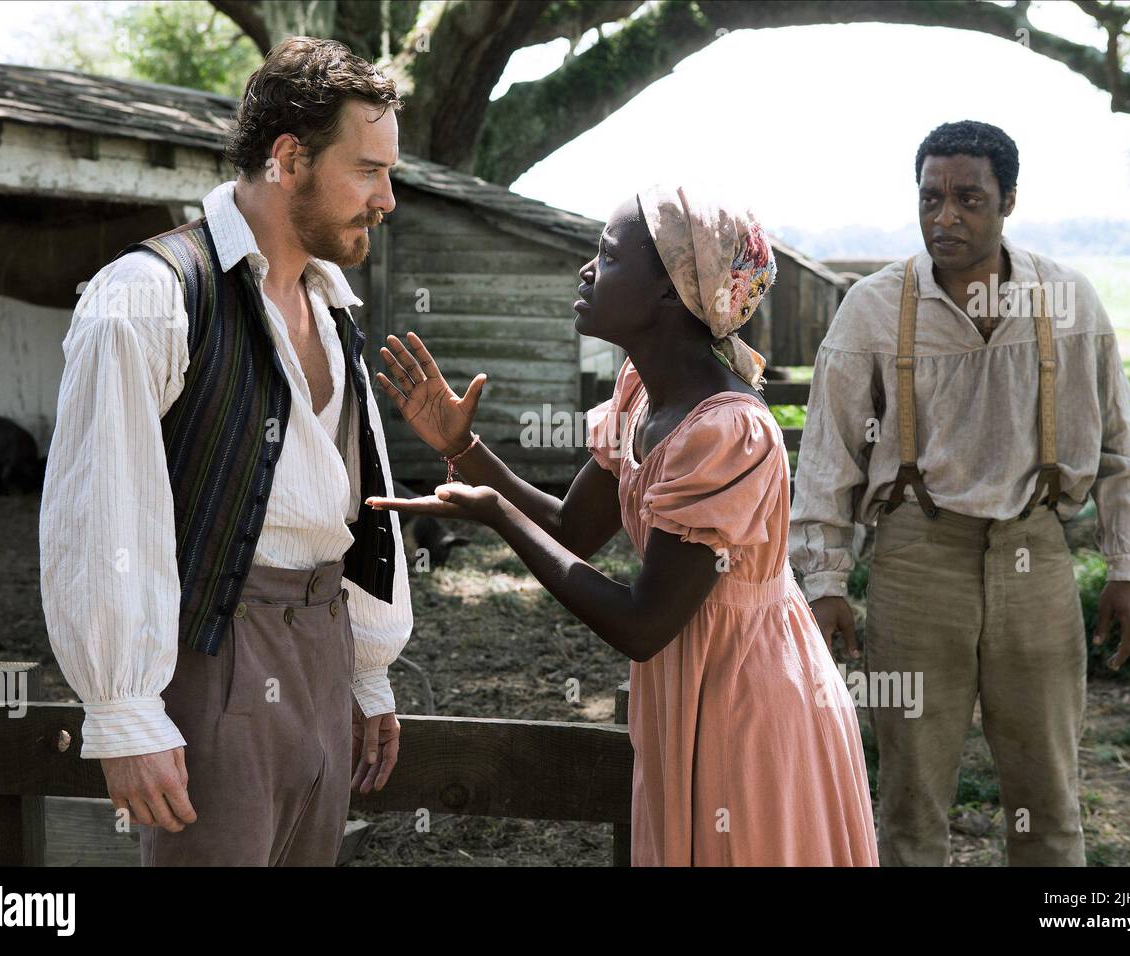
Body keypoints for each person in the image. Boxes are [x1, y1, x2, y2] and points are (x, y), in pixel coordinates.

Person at [366, 186, 879, 866]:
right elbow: (572, 530)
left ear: (673, 291)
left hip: (748, 700)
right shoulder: (643, 393)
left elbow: (642, 624)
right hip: (695, 682)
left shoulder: (727, 430)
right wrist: (463, 448)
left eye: (606, 256)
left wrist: (496, 516)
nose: (586, 271)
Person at [39, 37, 413, 866]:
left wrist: (365, 670)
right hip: (216, 658)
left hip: (323, 652)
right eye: (368, 170)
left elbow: (349, 501)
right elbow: (102, 513)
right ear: (288, 158)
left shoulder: (333, 307)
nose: (387, 198)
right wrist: (125, 709)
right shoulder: (149, 297)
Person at [789, 120, 1130, 866]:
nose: (944, 216)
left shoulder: (1068, 302)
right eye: (930, 198)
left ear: (1008, 201)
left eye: (968, 198)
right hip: (917, 564)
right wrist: (825, 581)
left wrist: (1129, 567)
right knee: (911, 800)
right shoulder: (872, 308)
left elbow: (1122, 443)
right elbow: (828, 458)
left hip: (1037, 558)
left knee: (1049, 796)